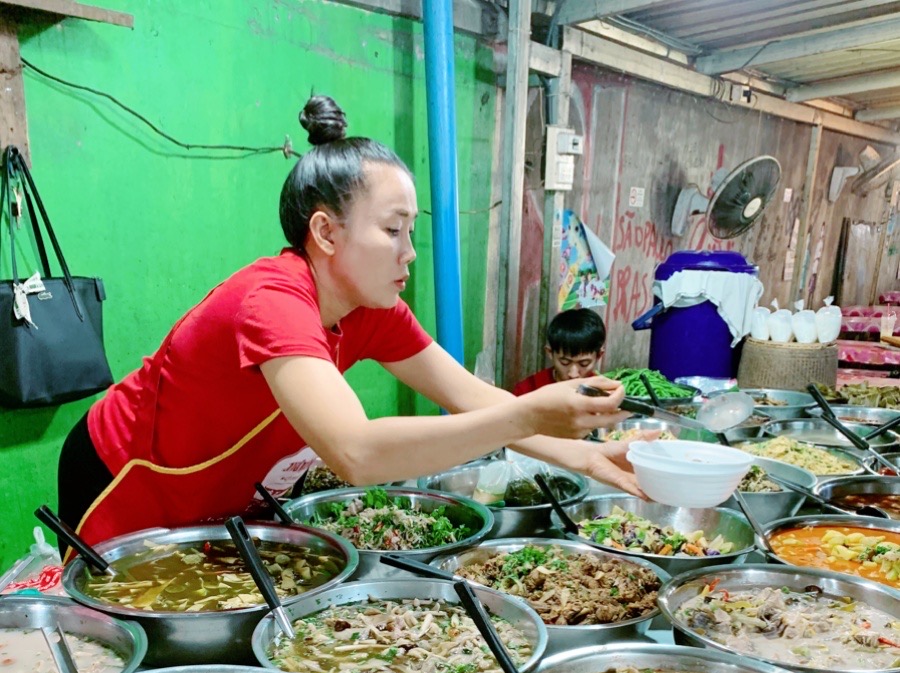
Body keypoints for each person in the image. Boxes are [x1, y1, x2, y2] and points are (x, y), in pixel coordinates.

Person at [57, 95, 641, 549]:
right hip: (124, 472)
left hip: (219, 495)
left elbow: (471, 397)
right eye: (392, 230)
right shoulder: (272, 301)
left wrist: (585, 455)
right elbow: (356, 452)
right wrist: (529, 411)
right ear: (326, 233)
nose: (409, 251)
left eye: (411, 230)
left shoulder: (372, 311)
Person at [513, 308, 606, 396]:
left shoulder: (603, 394)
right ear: (550, 353)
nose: (573, 374)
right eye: (565, 362)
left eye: (584, 363)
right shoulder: (528, 390)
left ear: (599, 355)